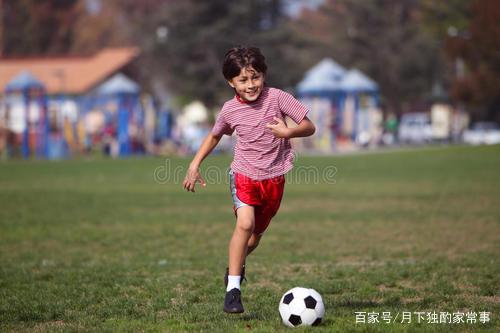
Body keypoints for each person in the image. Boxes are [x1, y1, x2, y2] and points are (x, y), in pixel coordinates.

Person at [183, 46, 315, 314]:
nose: (250, 85)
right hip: (243, 175)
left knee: (253, 239)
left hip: (274, 180)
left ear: (264, 75)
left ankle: (235, 266)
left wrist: (287, 132)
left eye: (255, 77)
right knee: (245, 224)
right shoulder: (230, 110)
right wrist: (194, 164)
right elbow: (215, 135)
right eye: (243, 80)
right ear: (230, 81)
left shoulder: (277, 97)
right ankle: (233, 290)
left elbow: (309, 126)